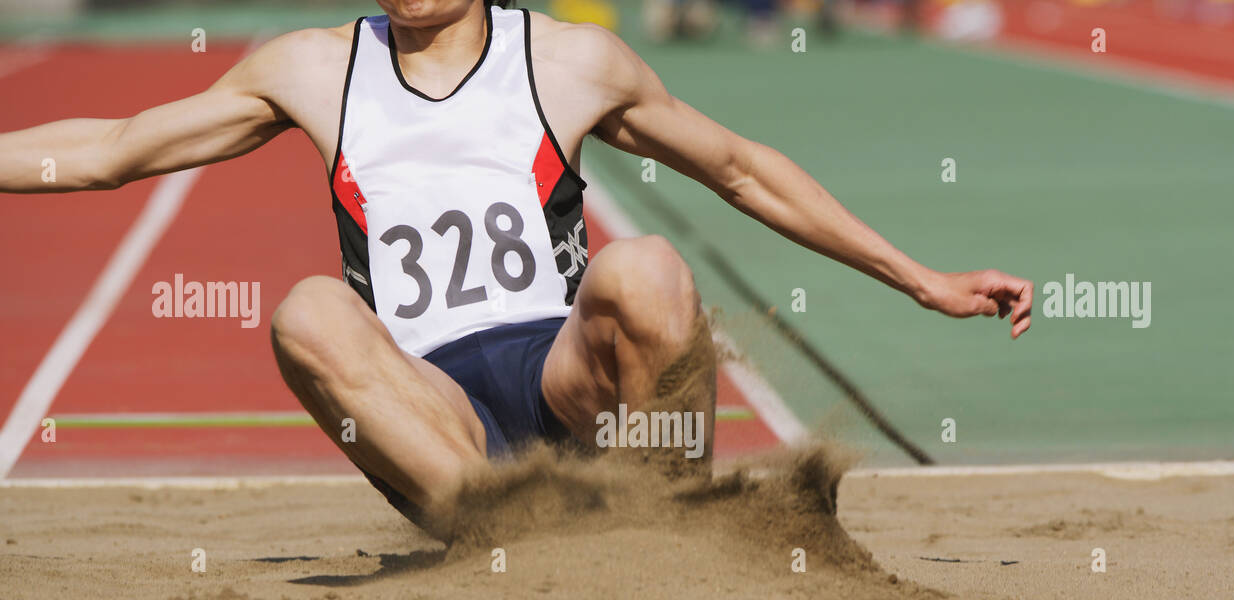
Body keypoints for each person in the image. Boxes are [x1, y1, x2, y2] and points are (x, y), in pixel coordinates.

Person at [0, 0, 1032, 539]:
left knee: (653, 270)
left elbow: (741, 170)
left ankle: (671, 540)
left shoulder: (566, 60)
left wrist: (919, 278)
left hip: (565, 380)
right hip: (434, 414)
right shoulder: (313, 68)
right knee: (308, 308)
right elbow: (113, 149)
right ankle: (511, 536)